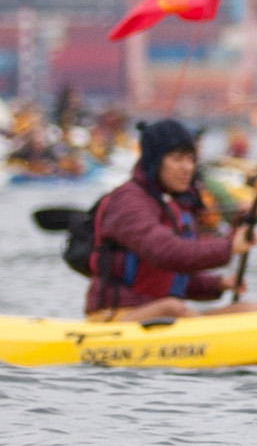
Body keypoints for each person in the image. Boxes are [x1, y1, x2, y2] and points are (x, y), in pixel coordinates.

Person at [84, 117, 239, 321]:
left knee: (247, 309)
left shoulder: (173, 204)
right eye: (177, 159)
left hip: (158, 314)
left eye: (191, 159)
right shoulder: (128, 200)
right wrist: (229, 246)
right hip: (115, 315)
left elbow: (174, 278)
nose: (187, 168)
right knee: (172, 307)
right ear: (155, 160)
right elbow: (165, 252)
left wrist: (219, 284)